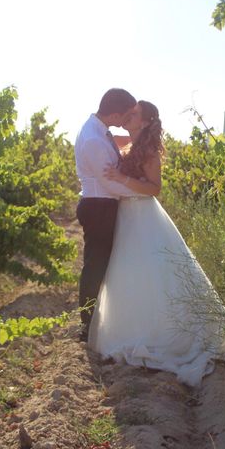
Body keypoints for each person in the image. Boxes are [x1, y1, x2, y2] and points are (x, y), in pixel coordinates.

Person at [87, 100, 225, 387]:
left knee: (152, 272)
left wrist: (120, 177)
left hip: (143, 214)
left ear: (144, 122)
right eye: (127, 112)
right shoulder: (129, 141)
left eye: (134, 114)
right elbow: (105, 138)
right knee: (129, 274)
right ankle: (130, 329)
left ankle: (158, 334)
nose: (128, 116)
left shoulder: (149, 151)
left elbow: (155, 188)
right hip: (127, 215)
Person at [74, 88, 142, 343]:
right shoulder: (93, 138)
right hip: (98, 206)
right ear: (114, 113)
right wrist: (142, 193)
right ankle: (87, 325)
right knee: (95, 266)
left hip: (102, 204)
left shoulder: (99, 131)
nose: (125, 121)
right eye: (125, 116)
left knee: (102, 264)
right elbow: (109, 183)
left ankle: (96, 320)